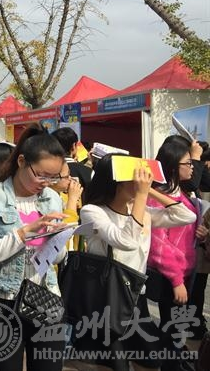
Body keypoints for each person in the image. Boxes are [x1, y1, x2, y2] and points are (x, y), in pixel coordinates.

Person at [75, 154, 196, 370]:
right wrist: (141, 196)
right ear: (115, 182)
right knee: (117, 364)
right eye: (134, 179)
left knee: (151, 359)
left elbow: (187, 216)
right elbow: (126, 241)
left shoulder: (141, 212)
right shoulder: (92, 212)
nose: (140, 183)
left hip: (136, 296)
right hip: (108, 298)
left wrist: (149, 191)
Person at [0, 124, 68, 371]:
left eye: (53, 177)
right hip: (4, 299)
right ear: (22, 161)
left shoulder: (52, 198)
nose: (46, 183)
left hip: (46, 296)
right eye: (41, 175)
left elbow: (57, 257)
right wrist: (26, 232)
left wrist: (58, 240)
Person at [146, 139, 203, 369]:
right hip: (171, 276)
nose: (192, 167)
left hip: (185, 271)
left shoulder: (181, 193)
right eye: (187, 162)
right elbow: (158, 246)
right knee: (173, 327)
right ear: (172, 166)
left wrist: (200, 234)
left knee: (176, 327)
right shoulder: (158, 198)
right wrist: (177, 280)